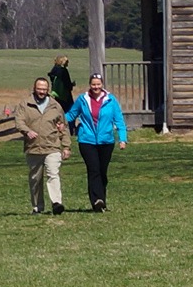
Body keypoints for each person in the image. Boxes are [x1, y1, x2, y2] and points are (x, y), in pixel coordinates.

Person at [69, 71, 127, 211]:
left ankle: (102, 202)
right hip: (87, 140)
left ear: (102, 85)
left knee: (102, 171)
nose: (96, 87)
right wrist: (59, 121)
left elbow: (119, 120)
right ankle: (97, 200)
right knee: (93, 169)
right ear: (90, 85)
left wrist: (122, 139)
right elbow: (71, 114)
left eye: (98, 84)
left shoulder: (111, 100)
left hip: (106, 141)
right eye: (93, 84)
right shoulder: (83, 100)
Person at [14, 76, 69, 216]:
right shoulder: (25, 105)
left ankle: (57, 203)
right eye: (39, 89)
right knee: (35, 179)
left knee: (53, 174)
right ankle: (37, 207)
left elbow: (63, 127)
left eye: (44, 89)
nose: (42, 91)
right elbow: (19, 122)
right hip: (33, 148)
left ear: (48, 90)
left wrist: (66, 146)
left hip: (52, 146)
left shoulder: (55, 106)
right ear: (34, 88)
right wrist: (27, 131)